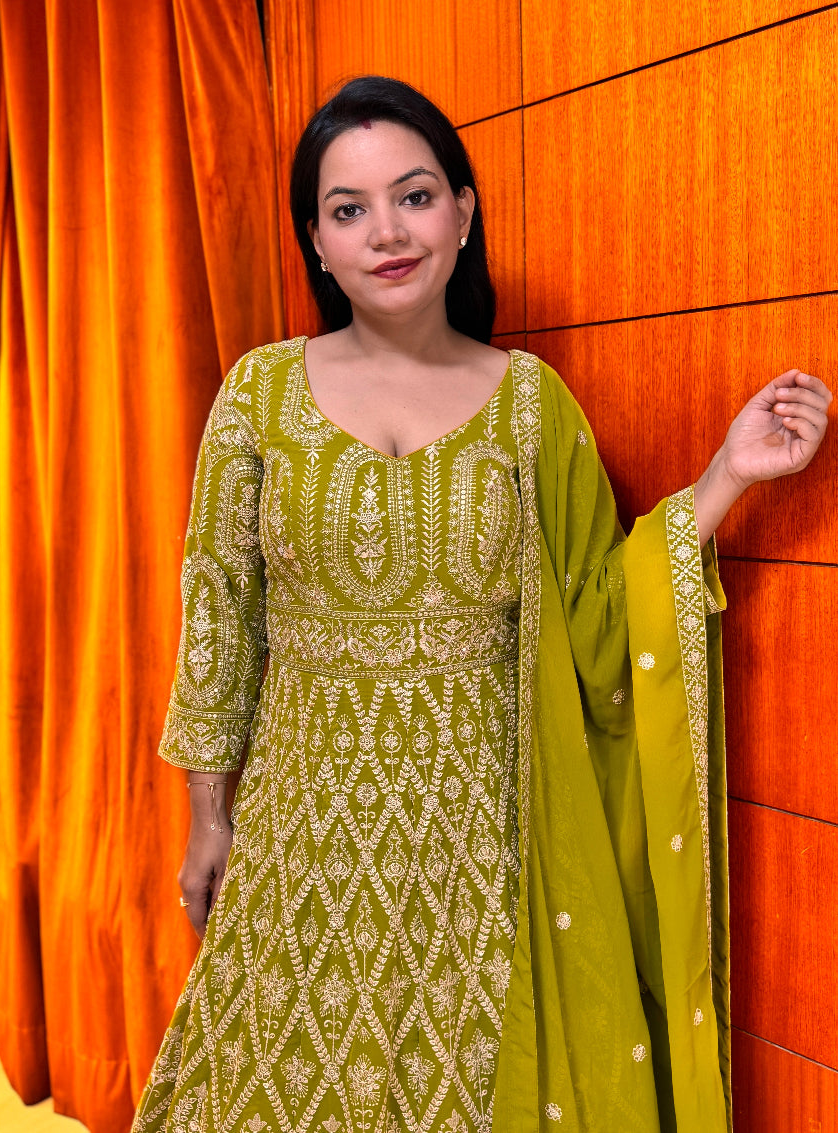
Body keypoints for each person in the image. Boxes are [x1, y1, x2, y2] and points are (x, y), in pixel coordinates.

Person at [132, 76, 831, 1133]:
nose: (386, 232)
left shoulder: (529, 405)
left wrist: (726, 475)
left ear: (463, 210)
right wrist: (205, 814)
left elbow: (598, 612)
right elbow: (221, 609)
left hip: (481, 836)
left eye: (413, 196)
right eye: (348, 208)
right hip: (301, 828)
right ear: (315, 242)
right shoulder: (259, 394)